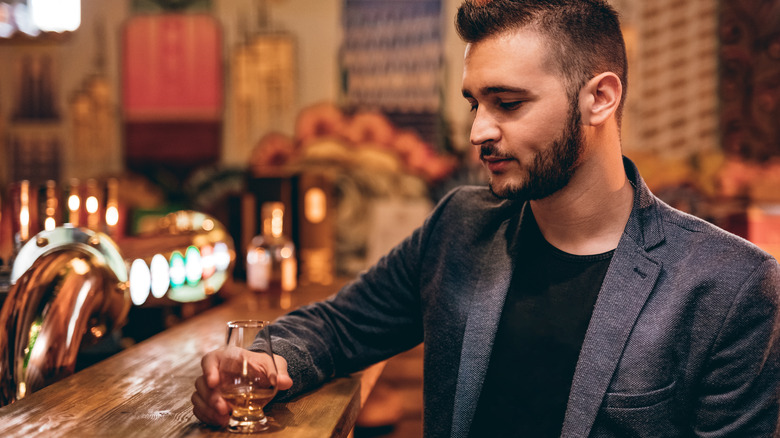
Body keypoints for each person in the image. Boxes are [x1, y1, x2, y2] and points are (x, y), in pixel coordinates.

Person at [192, 0, 780, 436]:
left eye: (509, 103)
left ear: (600, 97)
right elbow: (341, 326)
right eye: (475, 103)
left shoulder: (728, 285)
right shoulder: (460, 226)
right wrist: (263, 361)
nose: (478, 132)